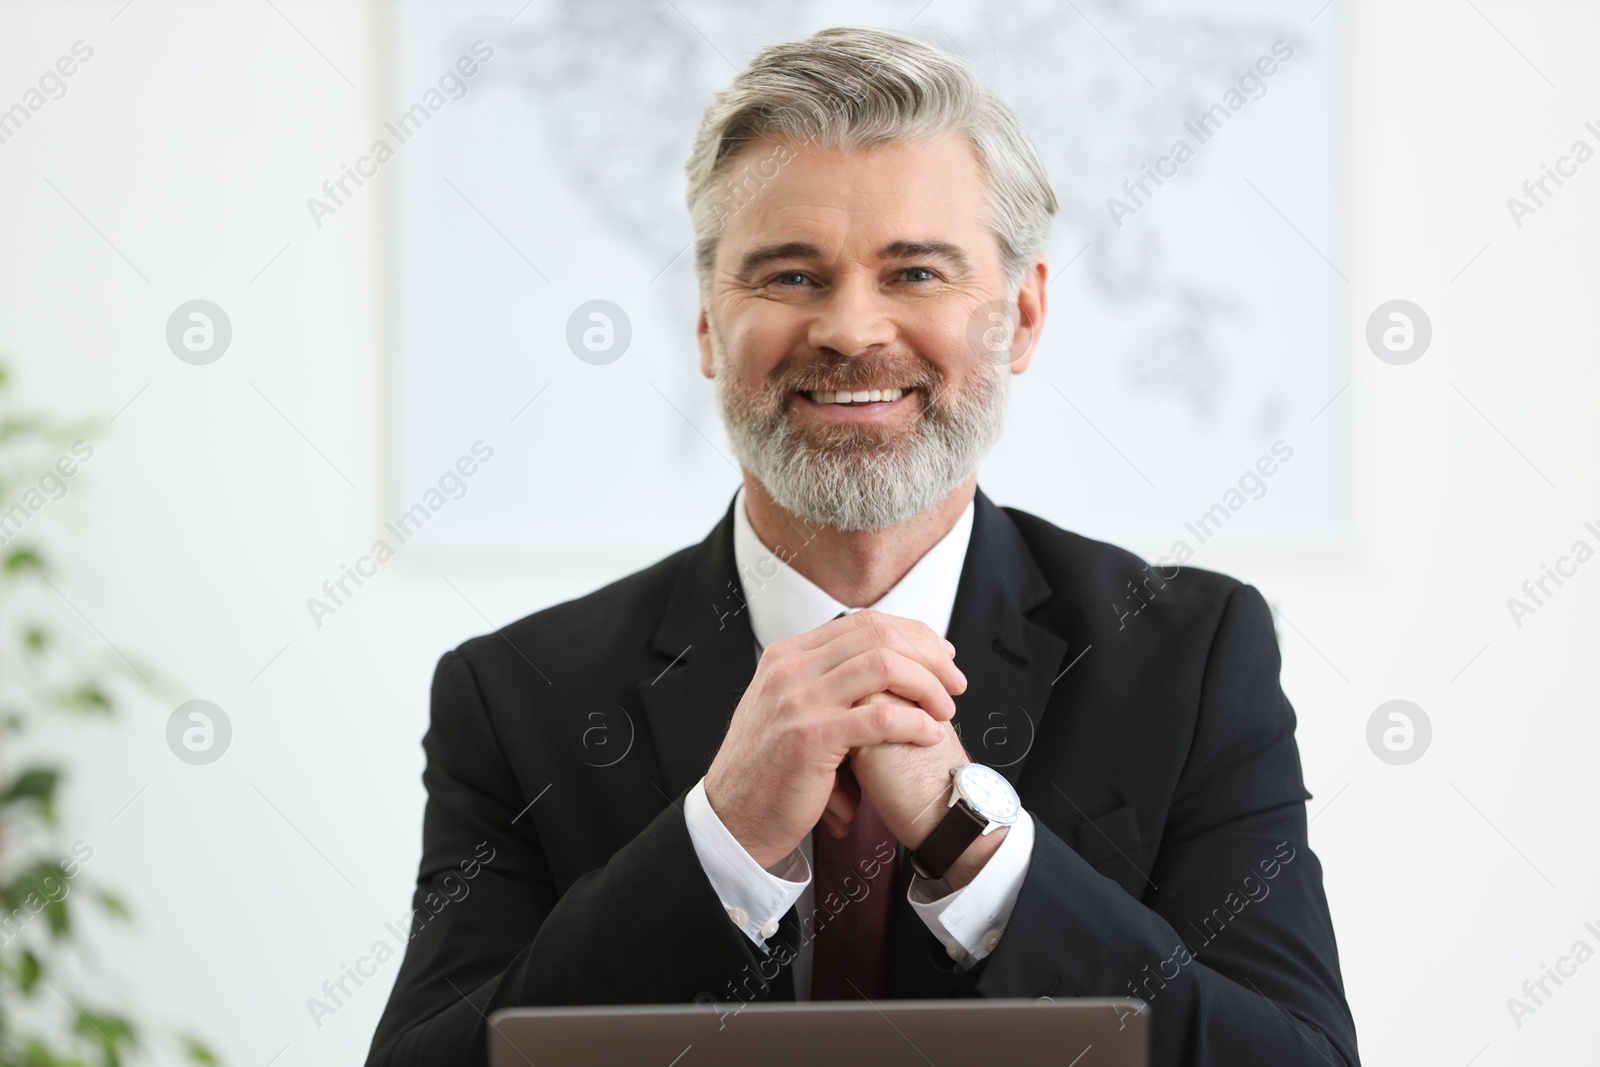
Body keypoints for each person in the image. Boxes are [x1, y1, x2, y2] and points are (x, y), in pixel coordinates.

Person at [366, 26, 1359, 1067]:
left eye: (916, 272)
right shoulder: (515, 694)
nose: (848, 330)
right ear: (707, 325)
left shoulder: (1191, 654)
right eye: (790, 276)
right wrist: (719, 840)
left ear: (1019, 317)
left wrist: (972, 844)